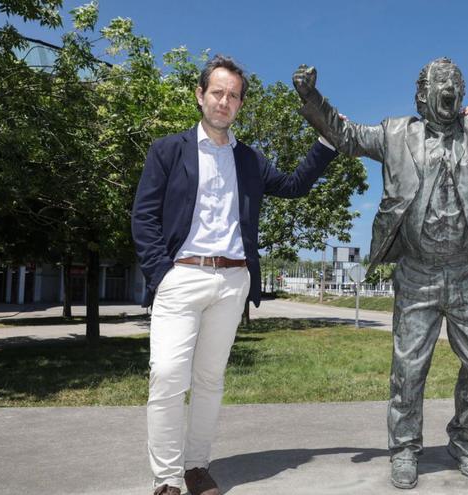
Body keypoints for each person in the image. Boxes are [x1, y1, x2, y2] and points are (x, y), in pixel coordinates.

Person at [293, 34, 468, 489]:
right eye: (441, 83)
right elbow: (345, 135)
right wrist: (311, 97)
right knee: (408, 369)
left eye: (455, 83)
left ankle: (464, 441)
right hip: (417, 275)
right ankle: (404, 449)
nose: (450, 88)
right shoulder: (394, 134)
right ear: (422, 95)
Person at [132, 55, 338, 495]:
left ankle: (196, 467)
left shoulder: (248, 160)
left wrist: (326, 141)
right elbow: (144, 217)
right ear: (200, 95)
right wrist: (160, 274)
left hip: (232, 282)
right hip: (181, 277)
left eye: (233, 96)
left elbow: (294, 185)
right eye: (218, 93)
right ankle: (166, 479)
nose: (225, 102)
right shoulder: (168, 150)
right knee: (168, 375)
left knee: (210, 380)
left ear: (240, 104)